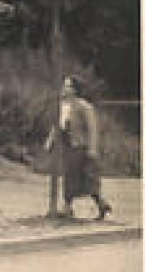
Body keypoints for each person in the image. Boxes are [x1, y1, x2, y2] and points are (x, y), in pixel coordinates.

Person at [47, 75, 112, 221]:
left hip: (81, 146)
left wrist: (92, 148)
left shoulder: (84, 106)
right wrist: (50, 140)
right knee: (70, 176)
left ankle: (99, 204)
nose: (65, 89)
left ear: (75, 89)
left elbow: (92, 129)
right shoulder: (62, 105)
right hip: (67, 145)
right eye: (64, 85)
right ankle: (71, 208)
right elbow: (56, 124)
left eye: (68, 86)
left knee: (87, 178)